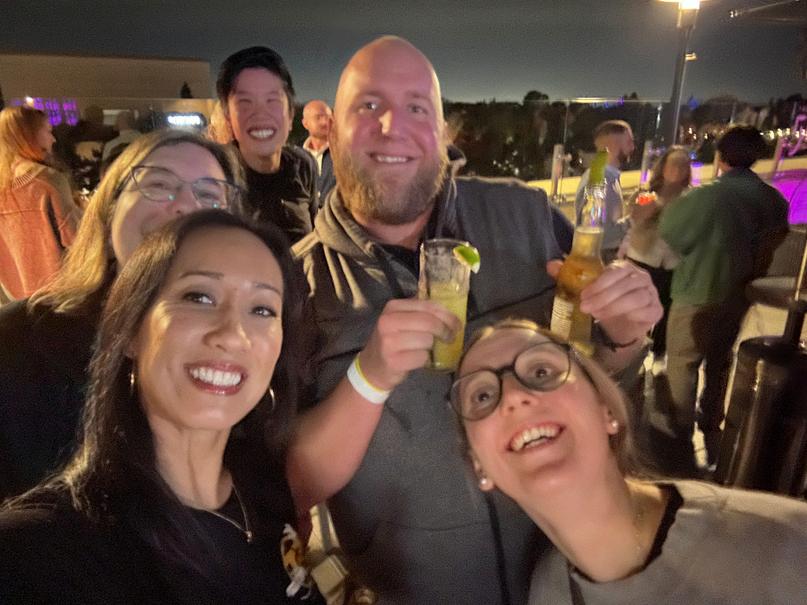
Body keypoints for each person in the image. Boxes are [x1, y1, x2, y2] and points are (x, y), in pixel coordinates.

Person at [287, 36, 662, 604]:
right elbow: (288, 484)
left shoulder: (527, 217)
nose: (392, 125)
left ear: (443, 133)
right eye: (368, 105)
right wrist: (366, 376)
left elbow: (594, 373)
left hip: (572, 576)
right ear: (330, 131)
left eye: (417, 107)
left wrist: (627, 335)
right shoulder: (294, 287)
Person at [0, 210, 323, 604]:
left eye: (262, 309)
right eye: (199, 297)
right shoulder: (41, 553)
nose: (233, 334)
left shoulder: (262, 483)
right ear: (131, 331)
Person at [453, 318, 807, 605]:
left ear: (606, 409)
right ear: (479, 466)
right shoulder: (547, 593)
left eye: (541, 371)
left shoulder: (787, 547)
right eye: (482, 395)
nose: (514, 396)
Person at [0, 129, 244, 501]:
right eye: (159, 184)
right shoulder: (18, 343)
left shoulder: (245, 350)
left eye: (210, 195)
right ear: (109, 210)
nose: (184, 206)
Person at [658, 125, 789, 474]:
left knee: (683, 363)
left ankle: (681, 439)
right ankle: (711, 423)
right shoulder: (774, 200)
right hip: (739, 294)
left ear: (720, 157)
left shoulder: (705, 197)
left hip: (697, 292)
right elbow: (777, 238)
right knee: (720, 361)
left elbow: (670, 233)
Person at [216, 46, 318, 243]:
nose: (260, 115)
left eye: (272, 101)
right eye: (245, 103)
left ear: (290, 115)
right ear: (228, 118)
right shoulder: (215, 174)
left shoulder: (303, 166)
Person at [0, 106, 82, 300]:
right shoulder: (47, 181)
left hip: (16, 304)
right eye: (48, 131)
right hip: (60, 298)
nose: (53, 139)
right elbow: (79, 240)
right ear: (27, 135)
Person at [622, 146, 691, 374]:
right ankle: (634, 353)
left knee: (665, 310)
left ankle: (659, 353)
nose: (678, 170)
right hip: (643, 259)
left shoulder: (690, 199)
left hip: (671, 263)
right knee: (636, 310)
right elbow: (635, 216)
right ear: (663, 168)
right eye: (674, 164)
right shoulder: (648, 194)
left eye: (683, 165)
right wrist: (653, 207)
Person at [574, 120, 634, 262]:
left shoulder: (607, 177)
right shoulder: (599, 179)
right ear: (613, 143)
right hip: (598, 263)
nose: (633, 147)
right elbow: (597, 234)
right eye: (629, 142)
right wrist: (634, 219)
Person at [301, 100, 336, 202]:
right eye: (318, 117)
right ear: (305, 123)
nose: (324, 122)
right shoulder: (296, 155)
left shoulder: (343, 152)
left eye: (328, 117)